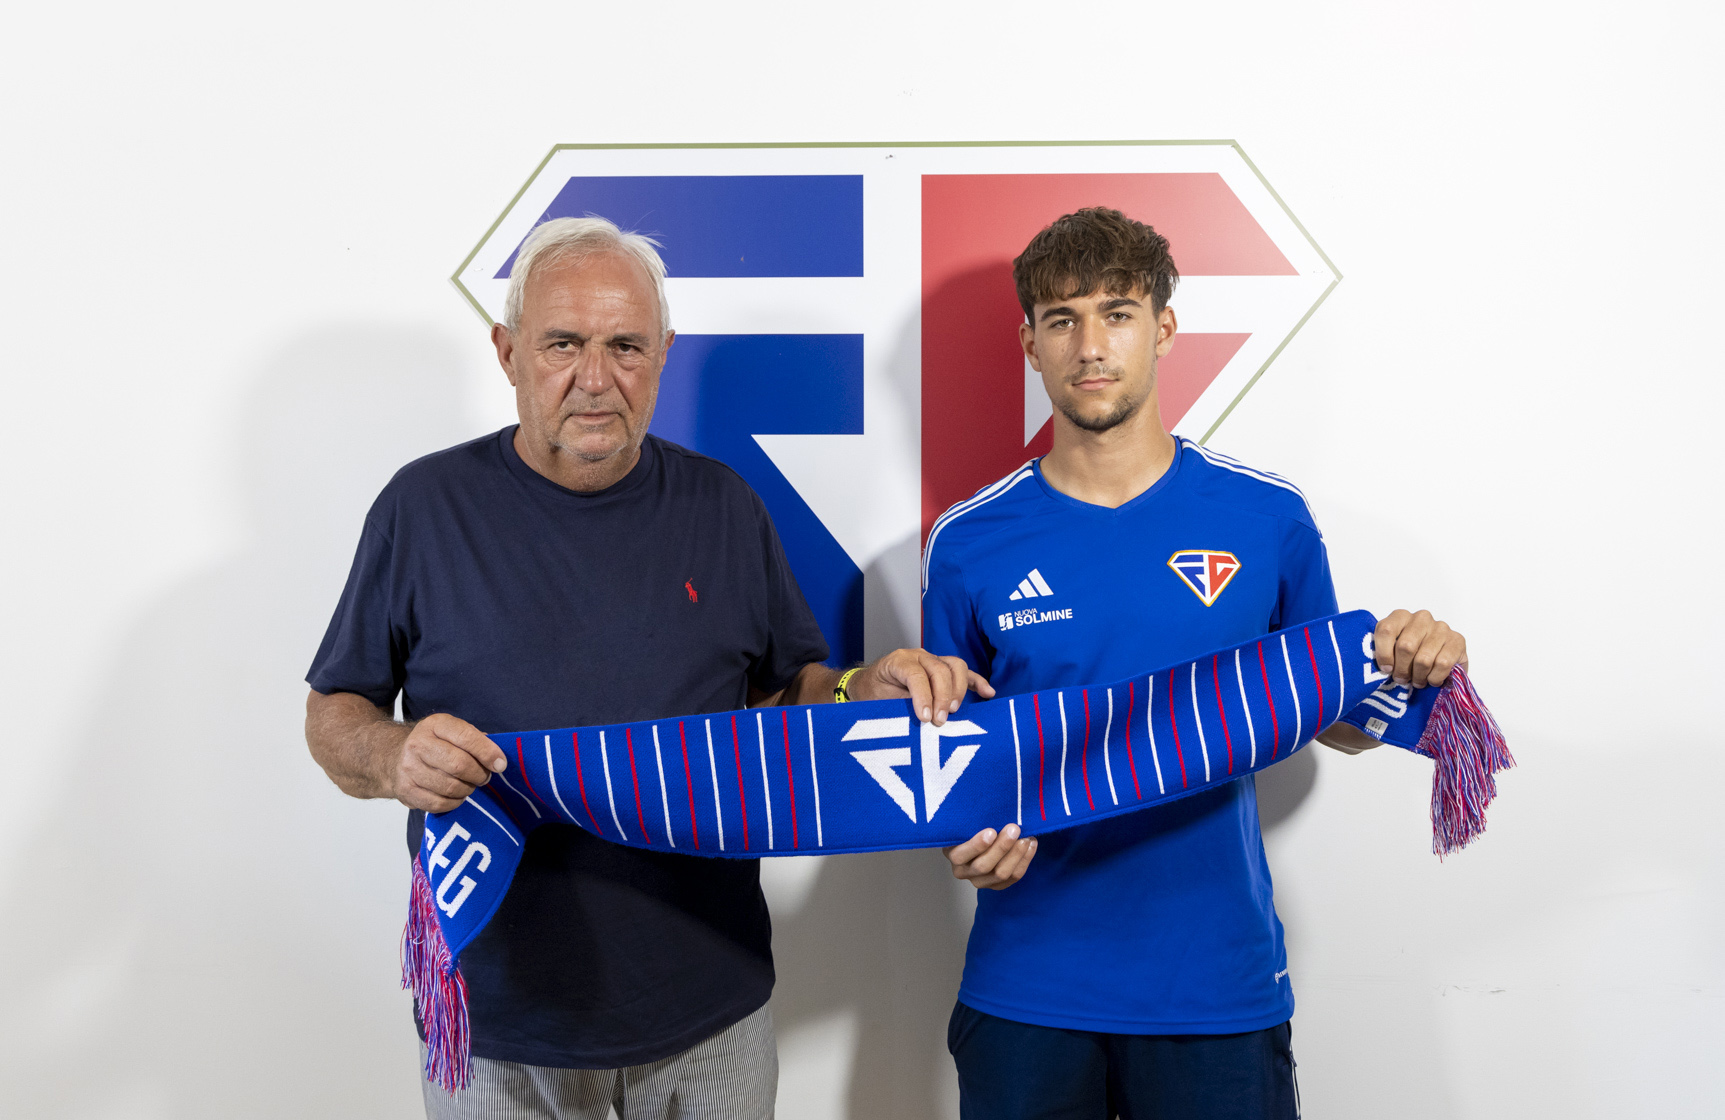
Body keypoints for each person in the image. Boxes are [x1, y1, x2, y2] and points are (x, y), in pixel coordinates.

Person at [303, 216, 986, 1120]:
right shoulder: (423, 508)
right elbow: (334, 711)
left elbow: (787, 693)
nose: (596, 378)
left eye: (625, 345)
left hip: (710, 1005)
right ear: (507, 353)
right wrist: (394, 756)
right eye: (562, 344)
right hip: (498, 1017)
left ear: (662, 355)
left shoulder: (723, 506)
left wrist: (866, 691)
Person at [923, 207, 1469, 1119]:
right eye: (1061, 321)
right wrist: (964, 842)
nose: (1089, 347)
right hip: (1026, 989)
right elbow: (948, 752)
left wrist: (1409, 666)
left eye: (1116, 314)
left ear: (1164, 329)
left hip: (1213, 987)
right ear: (1029, 344)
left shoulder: (1263, 518)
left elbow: (1336, 720)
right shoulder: (968, 541)